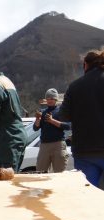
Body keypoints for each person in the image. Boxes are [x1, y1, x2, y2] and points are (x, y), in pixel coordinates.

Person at [58, 49, 104, 187]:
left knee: (88, 196)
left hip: (84, 150)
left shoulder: (74, 86)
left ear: (85, 64)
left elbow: (63, 115)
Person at [33, 88, 71, 173]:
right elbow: (35, 128)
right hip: (44, 146)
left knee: (59, 173)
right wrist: (38, 119)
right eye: (48, 99)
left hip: (58, 145)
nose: (49, 101)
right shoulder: (42, 112)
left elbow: (68, 126)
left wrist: (52, 121)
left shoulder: (61, 111)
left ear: (56, 99)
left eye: (52, 99)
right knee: (40, 172)